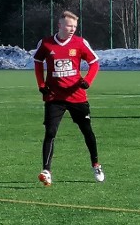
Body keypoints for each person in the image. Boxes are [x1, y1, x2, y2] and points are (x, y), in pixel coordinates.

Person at [33, 10, 104, 186]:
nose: (72, 29)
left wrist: (87, 81)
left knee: (87, 132)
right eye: (69, 25)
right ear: (60, 25)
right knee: (50, 133)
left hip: (76, 96)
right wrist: (41, 84)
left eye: (74, 26)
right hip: (54, 97)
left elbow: (94, 63)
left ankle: (96, 164)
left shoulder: (80, 43)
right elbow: (37, 62)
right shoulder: (46, 43)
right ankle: (46, 170)